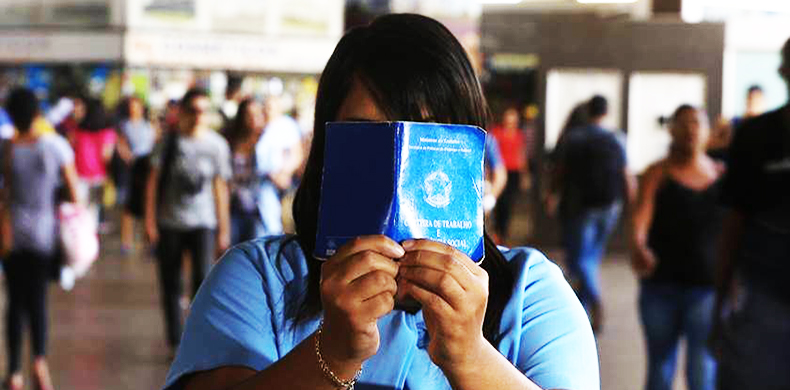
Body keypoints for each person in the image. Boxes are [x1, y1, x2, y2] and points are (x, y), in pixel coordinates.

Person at [163, 14, 599, 390]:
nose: (397, 178)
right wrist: (330, 354)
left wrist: (469, 354)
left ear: (468, 152)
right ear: (327, 147)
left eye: (429, 139)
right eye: (365, 138)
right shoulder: (260, 279)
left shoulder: (530, 293)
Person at [714, 37, 790, 390]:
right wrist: (718, 303)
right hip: (764, 300)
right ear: (783, 70)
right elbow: (735, 221)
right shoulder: (758, 134)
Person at [631, 105, 723, 390]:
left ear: (707, 129)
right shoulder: (657, 173)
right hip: (662, 288)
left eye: (697, 123)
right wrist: (639, 246)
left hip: (706, 290)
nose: (691, 129)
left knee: (702, 371)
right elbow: (640, 221)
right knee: (660, 368)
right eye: (683, 124)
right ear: (672, 130)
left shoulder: (720, 174)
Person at [0, 87, 80, 390]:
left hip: (11, 236)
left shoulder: (5, 148)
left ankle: (14, 374)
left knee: (14, 303)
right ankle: (40, 364)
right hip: (45, 236)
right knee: (37, 300)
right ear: (37, 113)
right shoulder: (55, 146)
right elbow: (73, 192)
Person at [144, 87, 231, 354]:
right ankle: (174, 341)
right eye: (193, 110)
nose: (198, 116)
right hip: (170, 223)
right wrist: (150, 221)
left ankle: (196, 341)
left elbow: (220, 188)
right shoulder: (169, 143)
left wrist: (223, 228)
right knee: (170, 284)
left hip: (203, 223)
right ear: (182, 112)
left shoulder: (216, 145)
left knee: (202, 284)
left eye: (203, 111)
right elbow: (153, 182)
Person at [551, 95, 633, 332]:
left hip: (581, 207)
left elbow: (561, 171)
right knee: (591, 257)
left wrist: (552, 194)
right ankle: (583, 309)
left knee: (580, 259)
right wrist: (630, 206)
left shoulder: (574, 137)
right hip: (610, 206)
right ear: (607, 112)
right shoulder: (617, 137)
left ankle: (593, 300)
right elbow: (626, 174)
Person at [254, 95, 304, 235]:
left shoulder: (286, 126)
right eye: (265, 108)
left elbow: (296, 153)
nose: (267, 111)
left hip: (279, 184)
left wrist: (284, 173)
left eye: (270, 108)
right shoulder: (260, 126)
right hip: (259, 184)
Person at [115, 96, 157, 253]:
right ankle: (126, 241)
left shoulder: (148, 126)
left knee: (147, 202)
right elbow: (120, 145)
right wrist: (129, 158)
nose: (134, 109)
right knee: (128, 206)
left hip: (146, 167)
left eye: (136, 106)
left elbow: (154, 144)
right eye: (131, 106)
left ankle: (148, 240)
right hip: (132, 169)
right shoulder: (124, 125)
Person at [224, 98, 267, 244]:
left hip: (256, 210)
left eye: (257, 114)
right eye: (249, 114)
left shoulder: (265, 142)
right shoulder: (229, 143)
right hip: (233, 209)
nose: (253, 119)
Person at [71, 97, 117, 230]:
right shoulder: (108, 133)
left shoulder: (78, 130)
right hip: (99, 176)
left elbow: (72, 151)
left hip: (80, 175)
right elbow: (106, 156)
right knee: (94, 210)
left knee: (80, 210)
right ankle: (91, 239)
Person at [490, 106, 528, 244]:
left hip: (514, 173)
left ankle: (503, 232)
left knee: (509, 204)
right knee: (500, 202)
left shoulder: (518, 135)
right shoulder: (496, 132)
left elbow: (521, 154)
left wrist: (524, 175)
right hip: (500, 172)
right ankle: (497, 232)